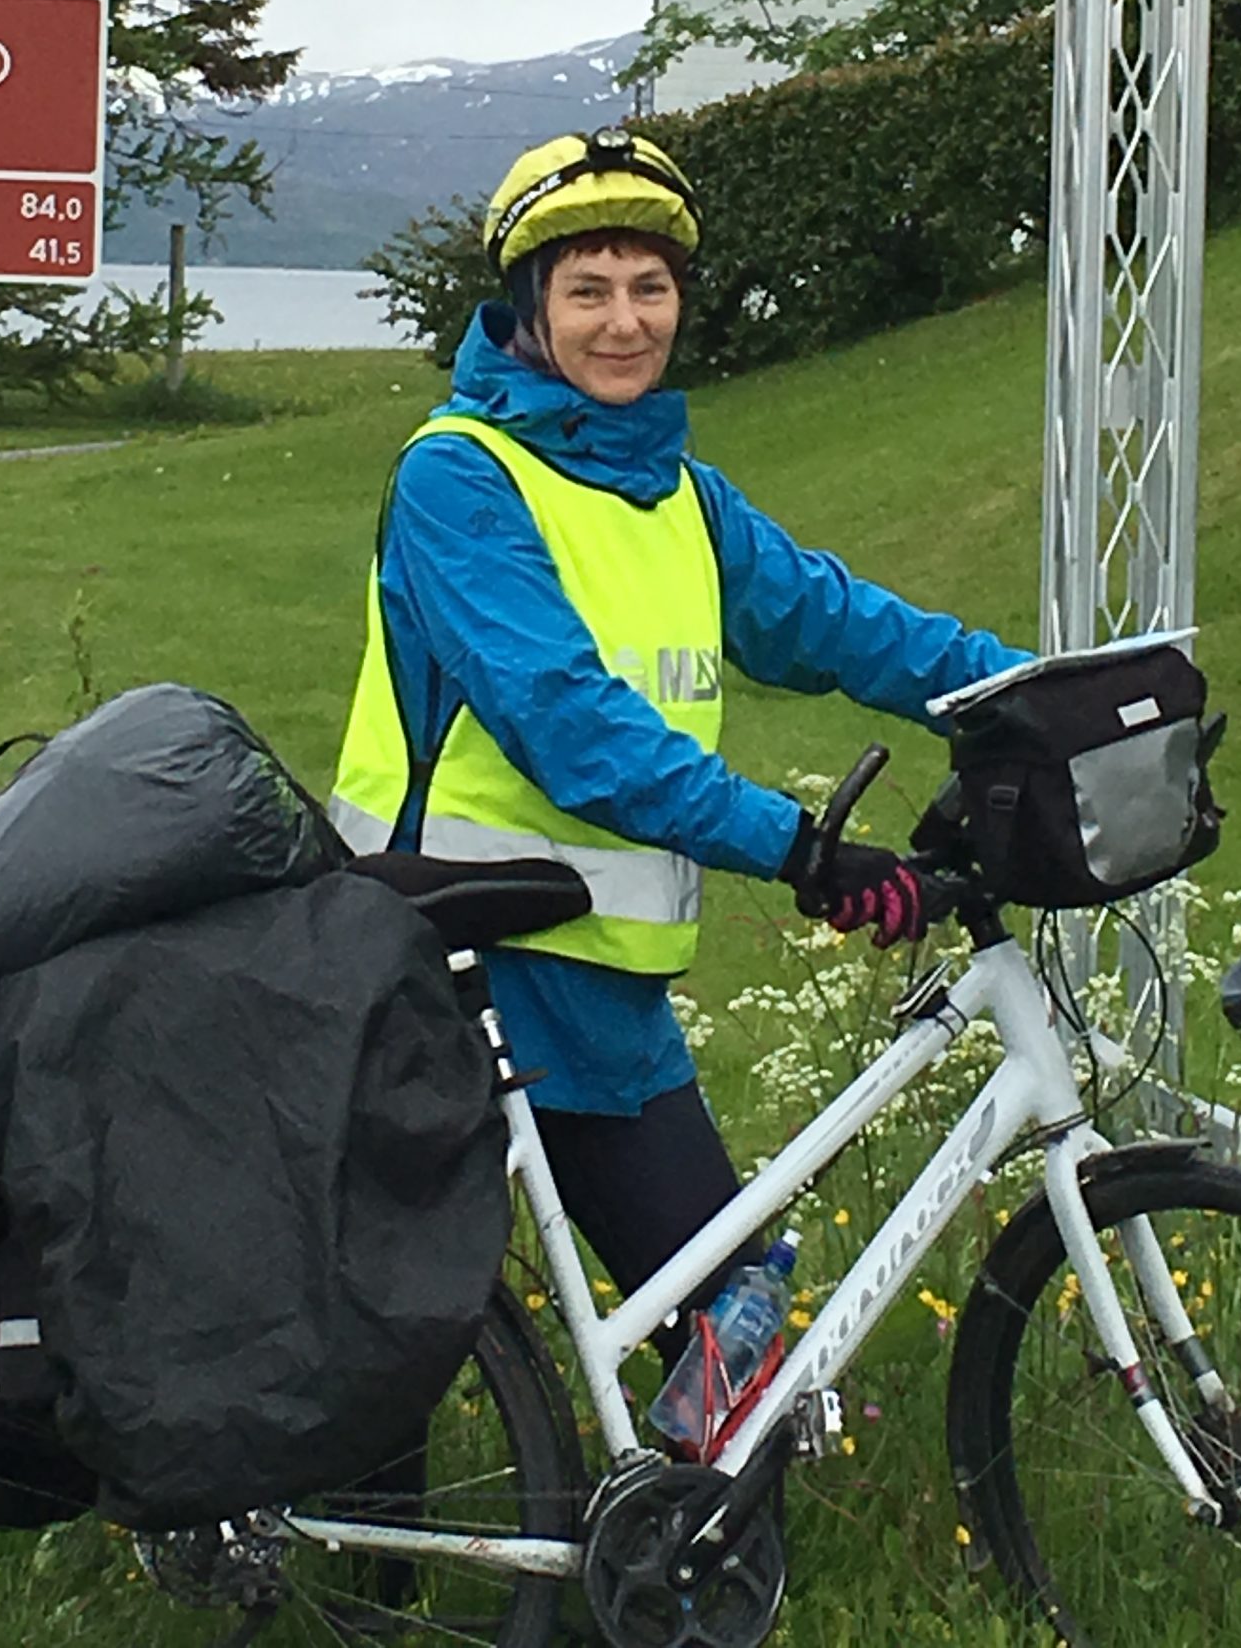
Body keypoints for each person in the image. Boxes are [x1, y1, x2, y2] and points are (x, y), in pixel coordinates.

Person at [330, 126, 1026, 1346]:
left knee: (728, 1339)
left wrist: (1028, 689)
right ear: (529, 306)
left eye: (649, 288)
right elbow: (571, 726)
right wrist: (799, 847)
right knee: (406, 1346)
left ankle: (678, 1482)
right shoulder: (461, 477)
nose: (624, 321)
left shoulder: (678, 494)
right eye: (587, 290)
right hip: (457, 970)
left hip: (602, 990)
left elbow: (838, 622)